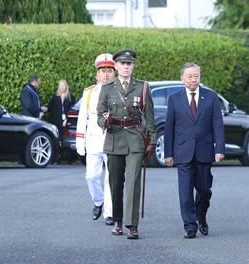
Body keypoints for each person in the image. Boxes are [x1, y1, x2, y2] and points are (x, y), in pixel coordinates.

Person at [97, 49, 156, 240]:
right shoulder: (107, 89)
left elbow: (150, 118)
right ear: (116, 66)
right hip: (114, 139)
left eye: (129, 64)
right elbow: (99, 114)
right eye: (122, 63)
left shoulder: (143, 87)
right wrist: (103, 121)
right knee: (115, 183)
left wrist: (152, 141)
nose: (126, 67)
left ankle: (132, 225)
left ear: (133, 66)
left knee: (132, 183)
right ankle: (117, 221)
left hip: (135, 139)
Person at [164, 62, 225, 239]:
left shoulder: (211, 97)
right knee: (185, 193)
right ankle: (190, 226)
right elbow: (169, 128)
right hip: (182, 153)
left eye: (196, 76)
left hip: (204, 151)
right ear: (182, 78)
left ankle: (200, 216)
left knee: (205, 190)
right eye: (189, 76)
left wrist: (219, 149)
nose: (193, 79)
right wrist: (168, 154)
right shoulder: (174, 99)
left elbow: (217, 124)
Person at [76, 53, 116, 226]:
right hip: (93, 140)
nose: (106, 74)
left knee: (111, 178)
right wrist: (80, 142)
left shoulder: (119, 91)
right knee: (91, 176)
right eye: (102, 71)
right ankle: (98, 201)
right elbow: (82, 117)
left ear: (114, 73)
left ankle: (109, 212)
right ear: (96, 74)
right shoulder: (89, 92)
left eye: (109, 70)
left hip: (114, 139)